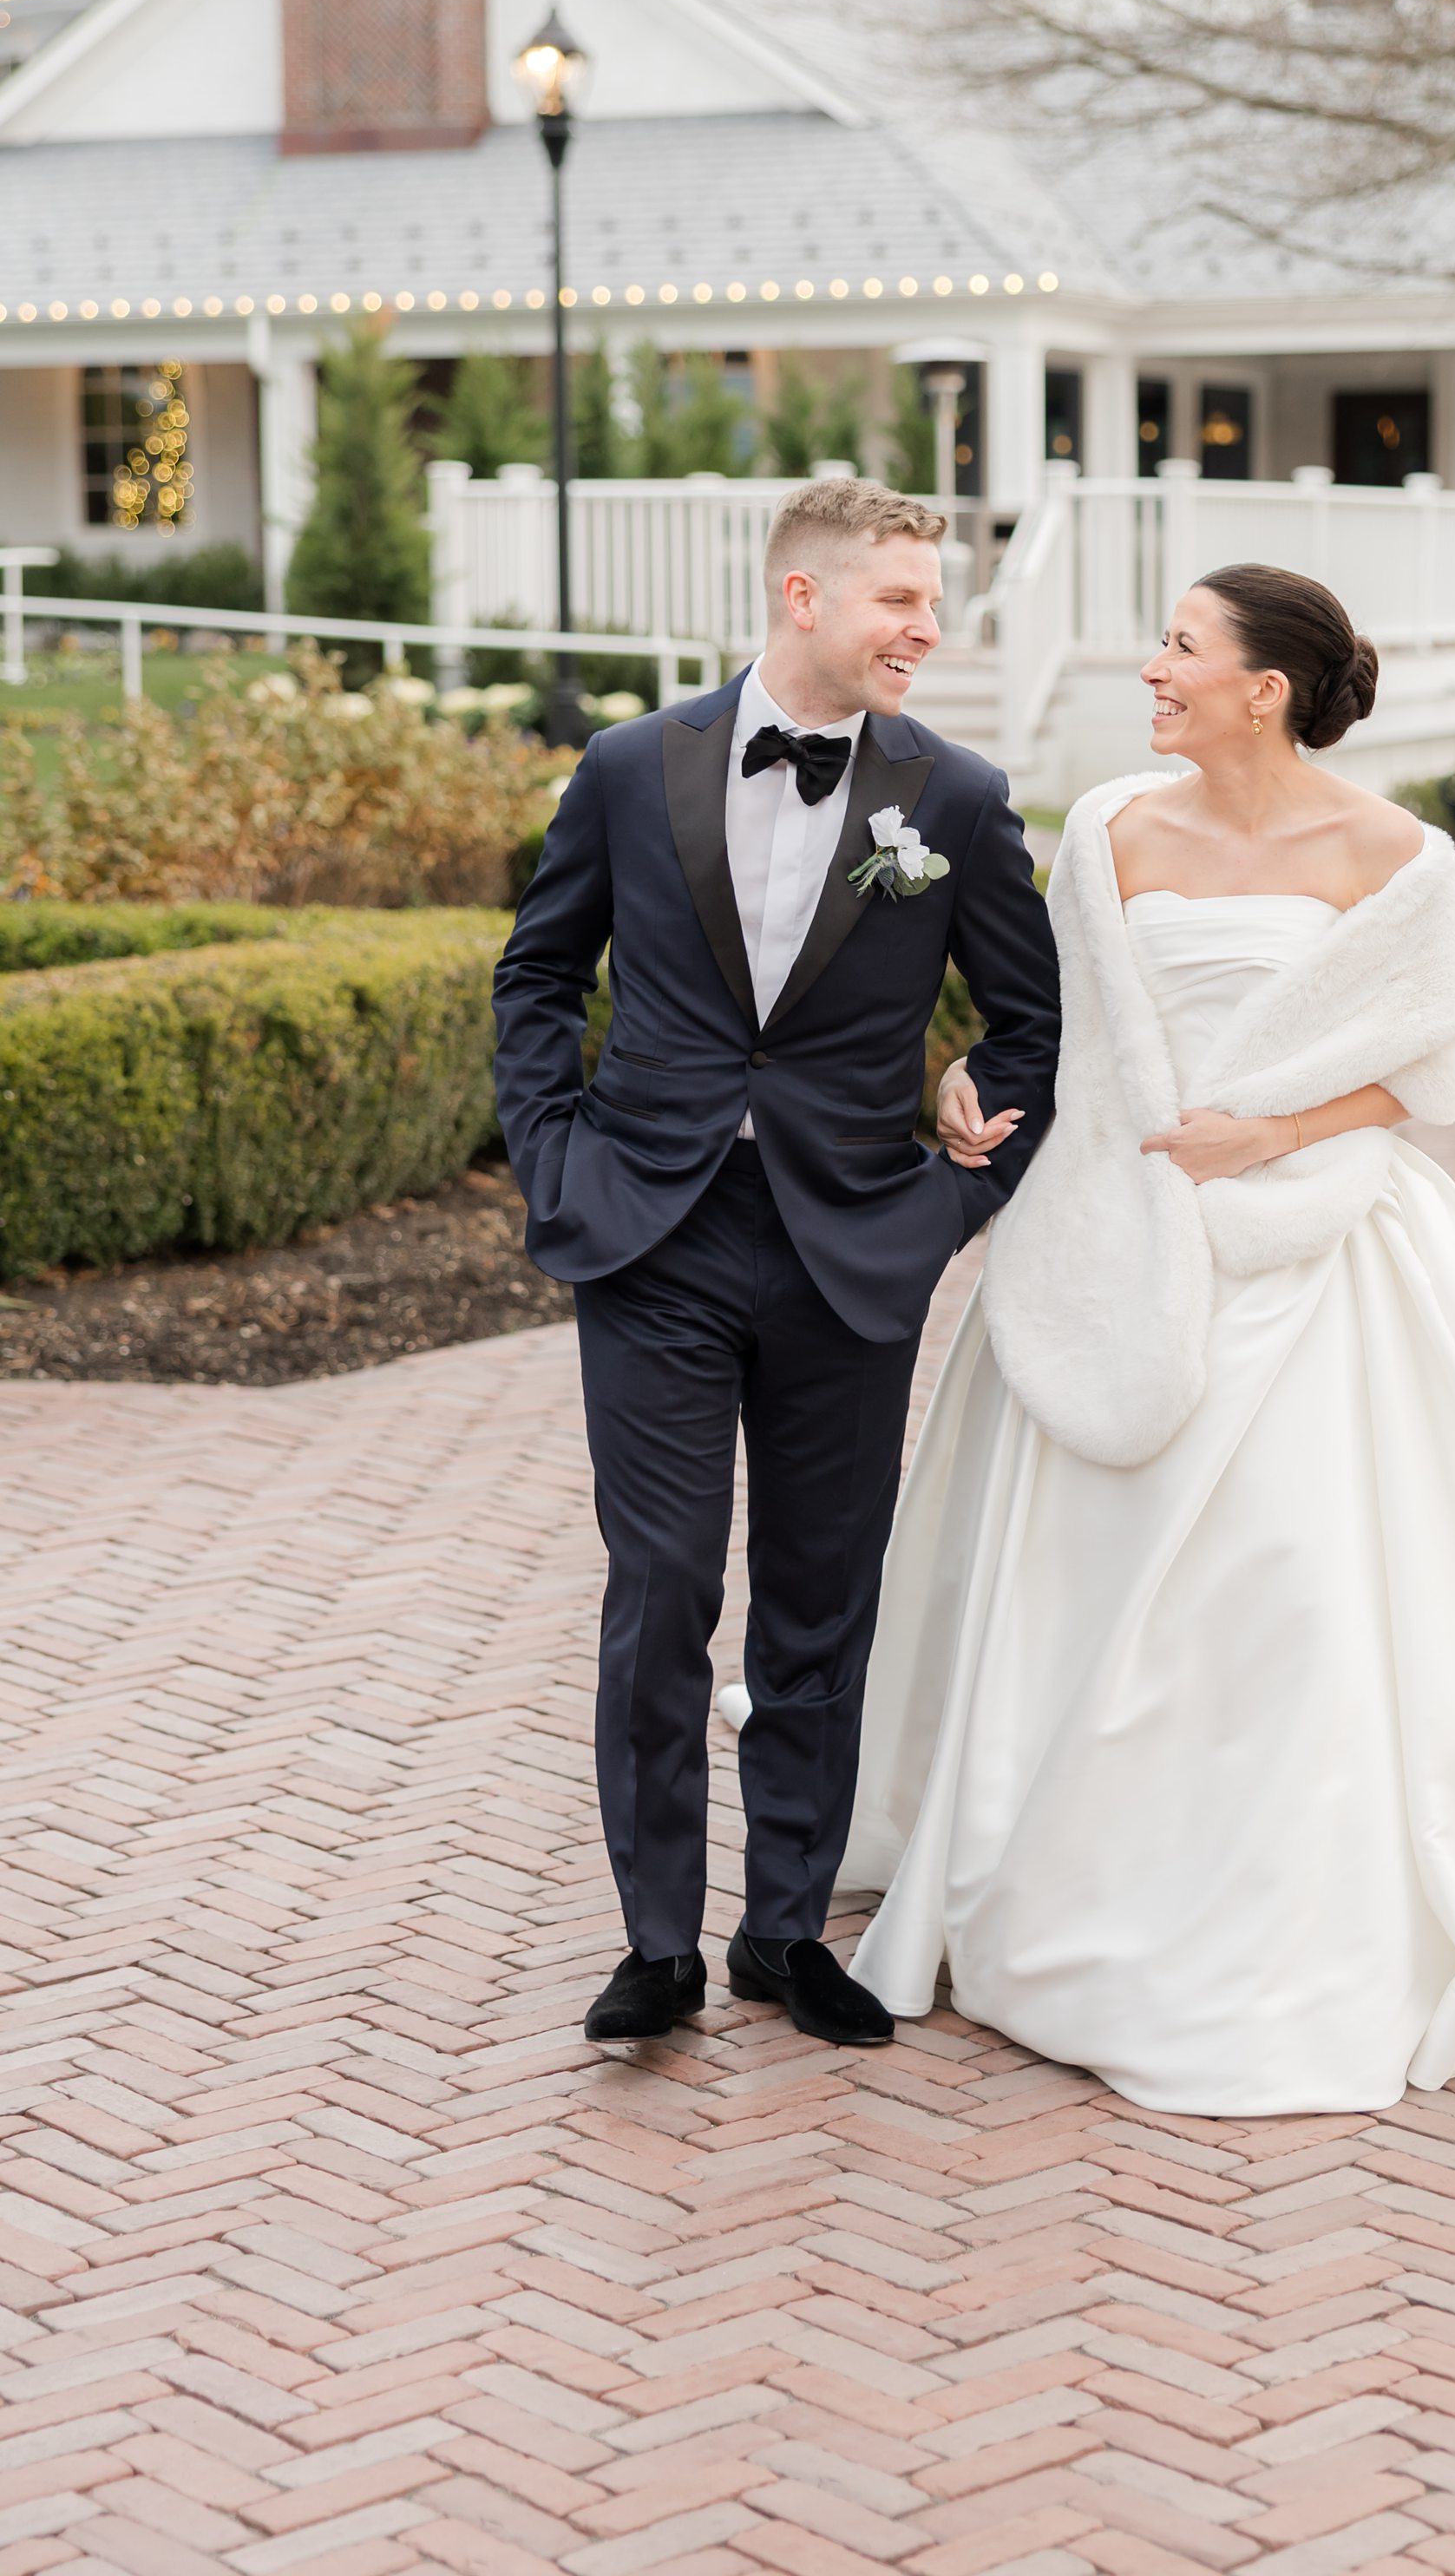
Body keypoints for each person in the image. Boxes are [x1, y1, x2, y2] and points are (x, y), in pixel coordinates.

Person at [842, 563, 1455, 2114]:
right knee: (1077, 1564)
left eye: (1181, 645)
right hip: (1113, 1241)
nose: (1152, 666)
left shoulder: (1398, 855)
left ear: (1266, 687)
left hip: (1313, 1253)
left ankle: (1280, 1878)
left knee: (1299, 1579)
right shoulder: (1110, 827)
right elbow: (1067, 1034)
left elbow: (1425, 1069)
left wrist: (1274, 1138)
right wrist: (974, 1085)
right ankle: (1056, 1838)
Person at [493, 479, 1060, 2050]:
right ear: (802, 598)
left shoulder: (949, 798)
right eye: (898, 600)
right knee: (663, 1585)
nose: (926, 630)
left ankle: (787, 1929)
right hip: (652, 1238)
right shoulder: (628, 768)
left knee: (820, 1603)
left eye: (931, 603)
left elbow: (1034, 1024)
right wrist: (554, 1153)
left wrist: (959, 1198)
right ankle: (657, 1942)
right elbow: (539, 970)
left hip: (850, 1250)